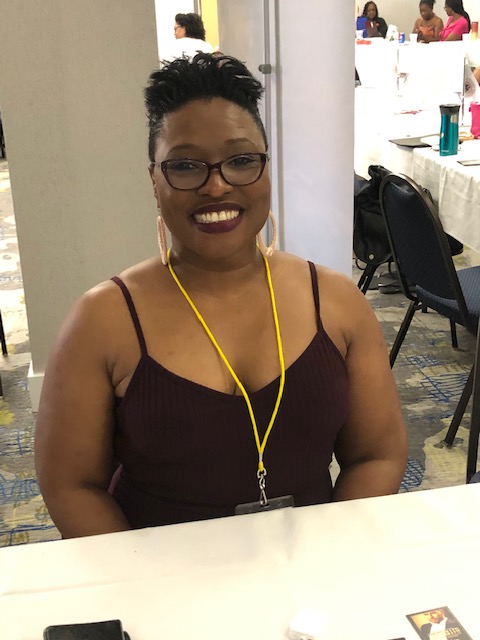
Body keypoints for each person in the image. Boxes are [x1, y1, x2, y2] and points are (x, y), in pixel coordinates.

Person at [34, 54, 408, 538]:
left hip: (310, 567)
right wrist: (143, 576)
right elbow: (72, 486)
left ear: (266, 167)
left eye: (240, 161)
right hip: (158, 572)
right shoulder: (102, 320)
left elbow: (377, 456)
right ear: (154, 180)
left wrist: (328, 560)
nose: (216, 186)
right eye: (185, 166)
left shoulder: (336, 302)